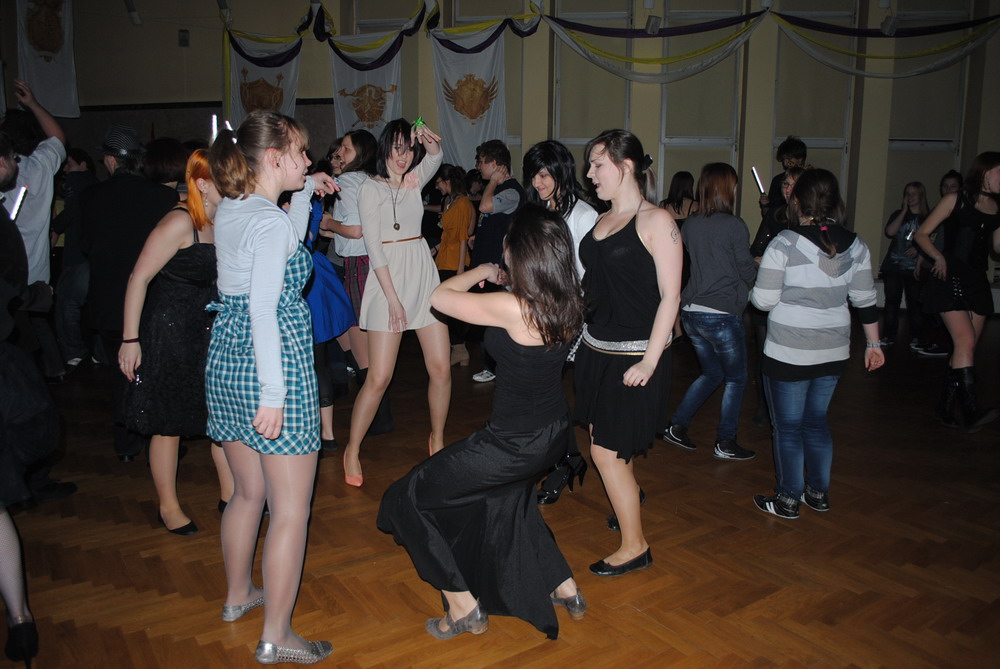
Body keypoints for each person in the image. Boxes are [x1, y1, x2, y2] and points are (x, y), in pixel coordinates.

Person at [378, 205, 587, 640]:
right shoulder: (568, 301)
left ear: (521, 254)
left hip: (514, 442)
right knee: (509, 501)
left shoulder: (513, 307)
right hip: (552, 432)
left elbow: (438, 297)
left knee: (408, 497)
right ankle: (564, 586)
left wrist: (480, 271)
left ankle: (463, 607)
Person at [205, 110, 337, 664]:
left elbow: (279, 241)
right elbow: (265, 307)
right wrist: (275, 397)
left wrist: (305, 191)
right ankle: (277, 634)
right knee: (289, 510)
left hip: (225, 362)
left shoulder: (233, 208)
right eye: (302, 154)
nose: (309, 162)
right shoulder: (270, 222)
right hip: (271, 366)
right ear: (275, 158)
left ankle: (239, 597)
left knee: (246, 494)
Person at [574, 129, 682, 576]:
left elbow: (670, 298)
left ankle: (635, 545)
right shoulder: (601, 221)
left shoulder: (657, 221)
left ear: (626, 166)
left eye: (598, 164)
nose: (590, 173)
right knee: (612, 447)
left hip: (636, 355)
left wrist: (650, 362)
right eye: (590, 164)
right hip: (596, 350)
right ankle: (627, 504)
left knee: (604, 453)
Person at [751, 168, 885, 519]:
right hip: (834, 350)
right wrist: (874, 346)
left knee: (788, 427)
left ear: (796, 201)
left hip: (788, 351)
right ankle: (818, 493)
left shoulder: (784, 243)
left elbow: (763, 302)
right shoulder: (857, 245)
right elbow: (865, 299)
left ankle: (788, 499)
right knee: (816, 422)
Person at [118, 150, 234, 534]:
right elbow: (138, 278)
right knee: (167, 424)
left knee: (219, 415)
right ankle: (168, 506)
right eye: (224, 177)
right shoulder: (179, 221)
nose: (234, 184)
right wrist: (130, 339)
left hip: (208, 329)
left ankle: (231, 494)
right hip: (170, 331)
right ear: (202, 183)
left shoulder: (223, 219)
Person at [342, 119, 448, 486]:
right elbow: (372, 246)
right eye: (396, 147)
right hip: (388, 279)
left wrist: (428, 139)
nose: (403, 156)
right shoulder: (369, 188)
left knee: (441, 368)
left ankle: (437, 436)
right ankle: (352, 448)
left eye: (408, 148)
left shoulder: (415, 180)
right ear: (385, 148)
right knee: (379, 376)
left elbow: (436, 155)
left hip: (422, 273)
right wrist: (392, 299)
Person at [81, 125, 179, 462]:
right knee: (159, 373)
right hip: (155, 301)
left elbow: (83, 247)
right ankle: (166, 441)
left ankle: (126, 444)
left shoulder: (90, 197)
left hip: (109, 301)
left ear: (110, 160)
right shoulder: (164, 197)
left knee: (120, 375)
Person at [662, 163, 757, 461]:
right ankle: (726, 441)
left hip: (692, 313)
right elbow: (744, 269)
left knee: (712, 372)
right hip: (722, 314)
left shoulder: (691, 225)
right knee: (736, 379)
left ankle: (677, 425)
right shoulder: (734, 225)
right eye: (735, 185)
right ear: (726, 189)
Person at [521, 139, 598, 505]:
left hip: (571, 319)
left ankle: (577, 462)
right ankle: (568, 458)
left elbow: (589, 277)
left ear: (560, 170)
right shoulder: (540, 209)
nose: (538, 182)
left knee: (563, 394)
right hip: (541, 315)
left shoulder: (583, 215)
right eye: (533, 175)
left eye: (543, 173)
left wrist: (569, 315)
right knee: (548, 393)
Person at [913, 152, 1000, 432]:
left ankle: (944, 407)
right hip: (949, 275)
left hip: (976, 280)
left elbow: (997, 249)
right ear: (986, 172)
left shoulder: (998, 206)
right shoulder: (956, 200)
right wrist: (938, 257)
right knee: (964, 341)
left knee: (968, 345)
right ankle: (970, 411)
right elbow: (921, 234)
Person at [320, 130, 394, 435]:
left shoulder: (349, 182)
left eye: (346, 149)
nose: (340, 153)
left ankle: (378, 418)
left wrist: (328, 222)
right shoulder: (373, 180)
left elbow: (355, 230)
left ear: (360, 152)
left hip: (358, 265)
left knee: (362, 346)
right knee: (364, 341)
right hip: (372, 264)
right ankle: (380, 417)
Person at [0, 79, 67, 382]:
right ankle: (52, 371)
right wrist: (33, 104)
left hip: (11, 282)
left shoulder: (30, 169)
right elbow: (57, 138)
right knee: (32, 329)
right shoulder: (39, 167)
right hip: (36, 278)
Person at [749, 165, 804, 426]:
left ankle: (789, 410)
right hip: (771, 289)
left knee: (793, 357)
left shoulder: (810, 220)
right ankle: (765, 406)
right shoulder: (775, 213)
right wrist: (761, 259)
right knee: (763, 353)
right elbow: (757, 248)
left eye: (792, 184)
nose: (787, 188)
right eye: (785, 184)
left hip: (796, 297)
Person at [471, 139, 524, 383]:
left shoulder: (511, 190)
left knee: (496, 320)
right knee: (485, 318)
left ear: (495, 164)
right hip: (487, 264)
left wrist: (492, 182)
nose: (478, 167)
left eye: (482, 162)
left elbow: (485, 206)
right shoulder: (499, 189)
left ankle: (497, 367)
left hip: (500, 269)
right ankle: (492, 365)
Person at [51, 149, 98, 370]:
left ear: (83, 165)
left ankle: (74, 351)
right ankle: (99, 352)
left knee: (67, 304)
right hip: (93, 254)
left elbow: (68, 216)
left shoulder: (76, 181)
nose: (66, 169)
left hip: (77, 256)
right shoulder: (98, 185)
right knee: (95, 304)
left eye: (69, 164)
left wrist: (54, 224)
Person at [432, 163, 476, 366]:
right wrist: (435, 248)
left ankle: (459, 349)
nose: (437, 187)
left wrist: (460, 270)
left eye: (439, 182)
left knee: (451, 309)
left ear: (448, 182)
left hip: (453, 263)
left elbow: (461, 238)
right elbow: (450, 235)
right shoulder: (451, 202)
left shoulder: (462, 204)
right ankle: (457, 349)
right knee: (446, 308)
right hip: (445, 260)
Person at [880, 182, 929, 349]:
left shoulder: (928, 217)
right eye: (907, 193)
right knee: (892, 301)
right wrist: (903, 211)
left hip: (914, 267)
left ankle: (916, 336)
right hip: (893, 266)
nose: (910, 196)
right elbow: (890, 232)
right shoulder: (898, 214)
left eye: (914, 193)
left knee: (915, 303)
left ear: (921, 196)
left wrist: (919, 248)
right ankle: (888, 335)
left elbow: (933, 240)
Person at [759, 135, 806, 217]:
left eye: (789, 158)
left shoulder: (811, 180)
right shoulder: (778, 180)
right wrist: (765, 205)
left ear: (800, 159)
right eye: (783, 159)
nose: (785, 163)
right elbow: (768, 216)